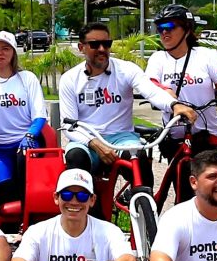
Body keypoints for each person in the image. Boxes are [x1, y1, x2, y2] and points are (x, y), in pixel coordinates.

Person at [141, 3, 217, 201]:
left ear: (187, 29)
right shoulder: (158, 59)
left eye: (169, 27)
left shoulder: (205, 56)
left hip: (207, 137)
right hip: (176, 137)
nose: (163, 33)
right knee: (184, 191)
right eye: (159, 28)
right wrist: (166, 92)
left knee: (212, 191)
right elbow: (149, 84)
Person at [55, 20, 150, 180]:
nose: (102, 49)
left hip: (122, 138)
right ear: (81, 47)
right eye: (95, 44)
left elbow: (151, 91)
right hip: (88, 141)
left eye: (106, 44)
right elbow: (68, 124)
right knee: (75, 158)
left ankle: (141, 199)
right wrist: (93, 142)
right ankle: (86, 203)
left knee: (139, 160)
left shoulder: (126, 70)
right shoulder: (70, 78)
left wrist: (173, 104)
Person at [0, 31, 47, 204]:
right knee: (3, 188)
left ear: (13, 52)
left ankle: (30, 219)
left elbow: (40, 116)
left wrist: (29, 136)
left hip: (26, 141)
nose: (0, 53)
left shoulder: (27, 78)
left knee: (23, 169)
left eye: (5, 48)